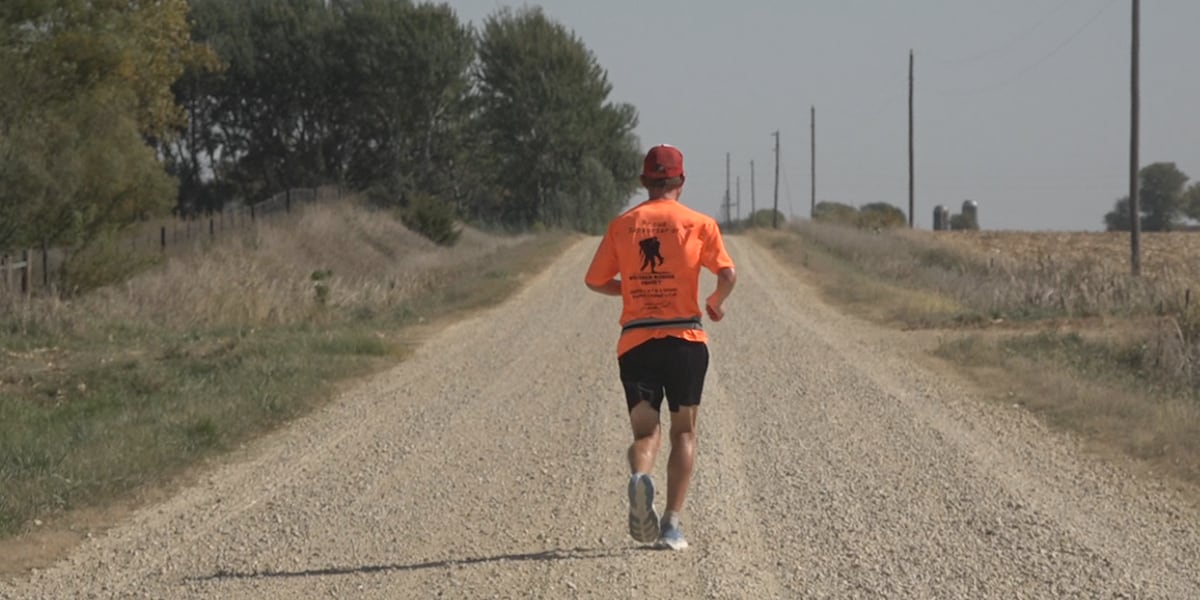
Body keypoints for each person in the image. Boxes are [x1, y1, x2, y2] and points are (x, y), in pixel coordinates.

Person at [584, 144, 737, 550]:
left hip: (637, 341)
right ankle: (670, 525)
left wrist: (630, 291)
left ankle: (639, 479)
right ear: (681, 182)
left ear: (643, 182)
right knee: (683, 432)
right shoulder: (699, 224)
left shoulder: (623, 225)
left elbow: (595, 280)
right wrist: (715, 303)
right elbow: (728, 273)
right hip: (684, 340)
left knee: (645, 431)